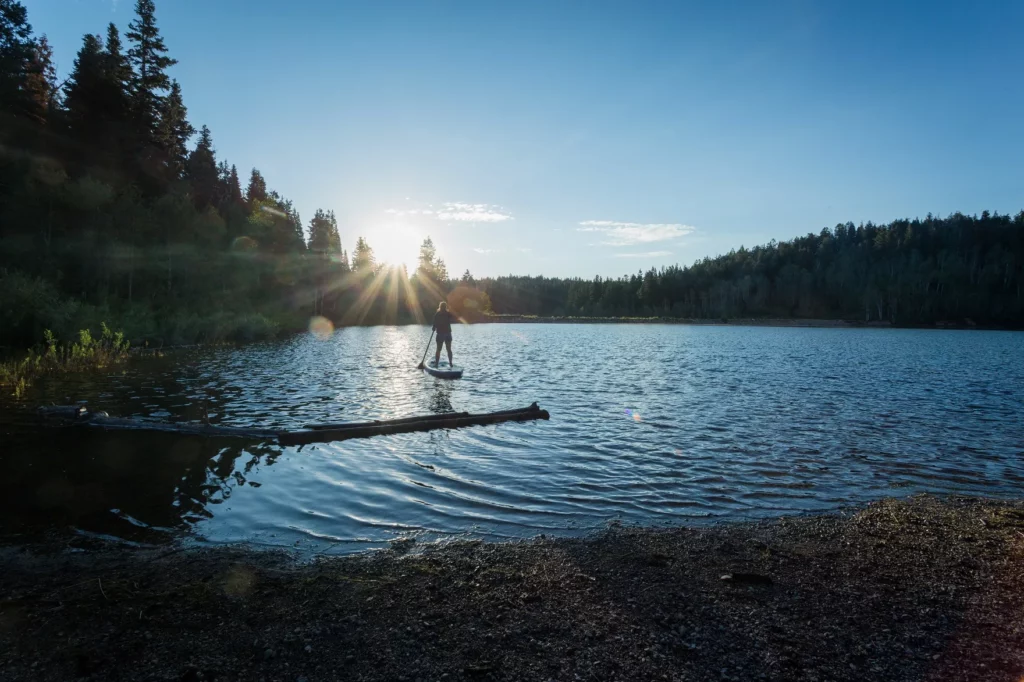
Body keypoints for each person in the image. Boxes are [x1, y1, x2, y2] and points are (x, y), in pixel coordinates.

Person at [432, 301, 454, 367]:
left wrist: (434, 328)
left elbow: (434, 326)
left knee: (438, 349)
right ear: (445, 307)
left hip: (440, 334)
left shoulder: (437, 314)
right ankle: (450, 363)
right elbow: (452, 319)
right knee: (449, 349)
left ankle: (436, 364)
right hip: (448, 334)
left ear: (440, 307)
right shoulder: (448, 314)